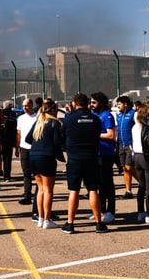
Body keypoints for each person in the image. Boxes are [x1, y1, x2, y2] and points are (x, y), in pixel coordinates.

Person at [61, 93, 108, 234]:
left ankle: (70, 223)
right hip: (91, 158)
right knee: (93, 190)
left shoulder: (69, 120)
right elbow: (97, 135)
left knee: (74, 190)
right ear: (87, 103)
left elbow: (63, 138)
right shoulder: (95, 119)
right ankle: (99, 223)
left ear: (75, 104)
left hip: (74, 159)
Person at [26, 98, 63, 229]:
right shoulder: (54, 123)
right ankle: (47, 220)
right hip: (46, 157)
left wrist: (39, 144)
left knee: (40, 189)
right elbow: (57, 141)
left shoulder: (38, 121)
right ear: (53, 109)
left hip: (33, 156)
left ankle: (41, 218)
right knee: (48, 190)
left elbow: (27, 138)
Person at [131, 101, 149, 224]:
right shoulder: (147, 127)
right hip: (146, 157)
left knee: (141, 186)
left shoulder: (134, 126)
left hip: (136, 157)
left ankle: (140, 212)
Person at [91, 91, 116, 223]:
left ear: (100, 102)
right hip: (96, 154)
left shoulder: (107, 116)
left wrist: (95, 135)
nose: (91, 104)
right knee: (98, 184)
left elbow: (111, 135)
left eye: (94, 102)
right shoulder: (93, 115)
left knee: (108, 184)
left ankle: (111, 211)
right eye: (90, 102)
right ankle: (99, 210)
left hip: (106, 154)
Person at [15, 98, 36, 206]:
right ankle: (27, 196)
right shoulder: (20, 118)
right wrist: (17, 147)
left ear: (32, 105)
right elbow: (19, 133)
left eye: (27, 105)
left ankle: (38, 196)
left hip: (34, 148)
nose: (24, 108)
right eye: (23, 106)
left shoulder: (37, 117)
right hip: (24, 148)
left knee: (37, 174)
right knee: (26, 173)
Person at [116, 95, 137, 200]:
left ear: (125, 104)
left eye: (119, 104)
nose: (118, 106)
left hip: (130, 145)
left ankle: (140, 185)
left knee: (129, 167)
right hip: (121, 144)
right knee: (125, 168)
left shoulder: (133, 114)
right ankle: (128, 190)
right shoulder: (118, 115)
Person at [1, 101, 18, 182]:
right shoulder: (13, 114)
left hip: (1, 138)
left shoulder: (1, 113)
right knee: (7, 158)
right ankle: (7, 176)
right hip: (10, 139)